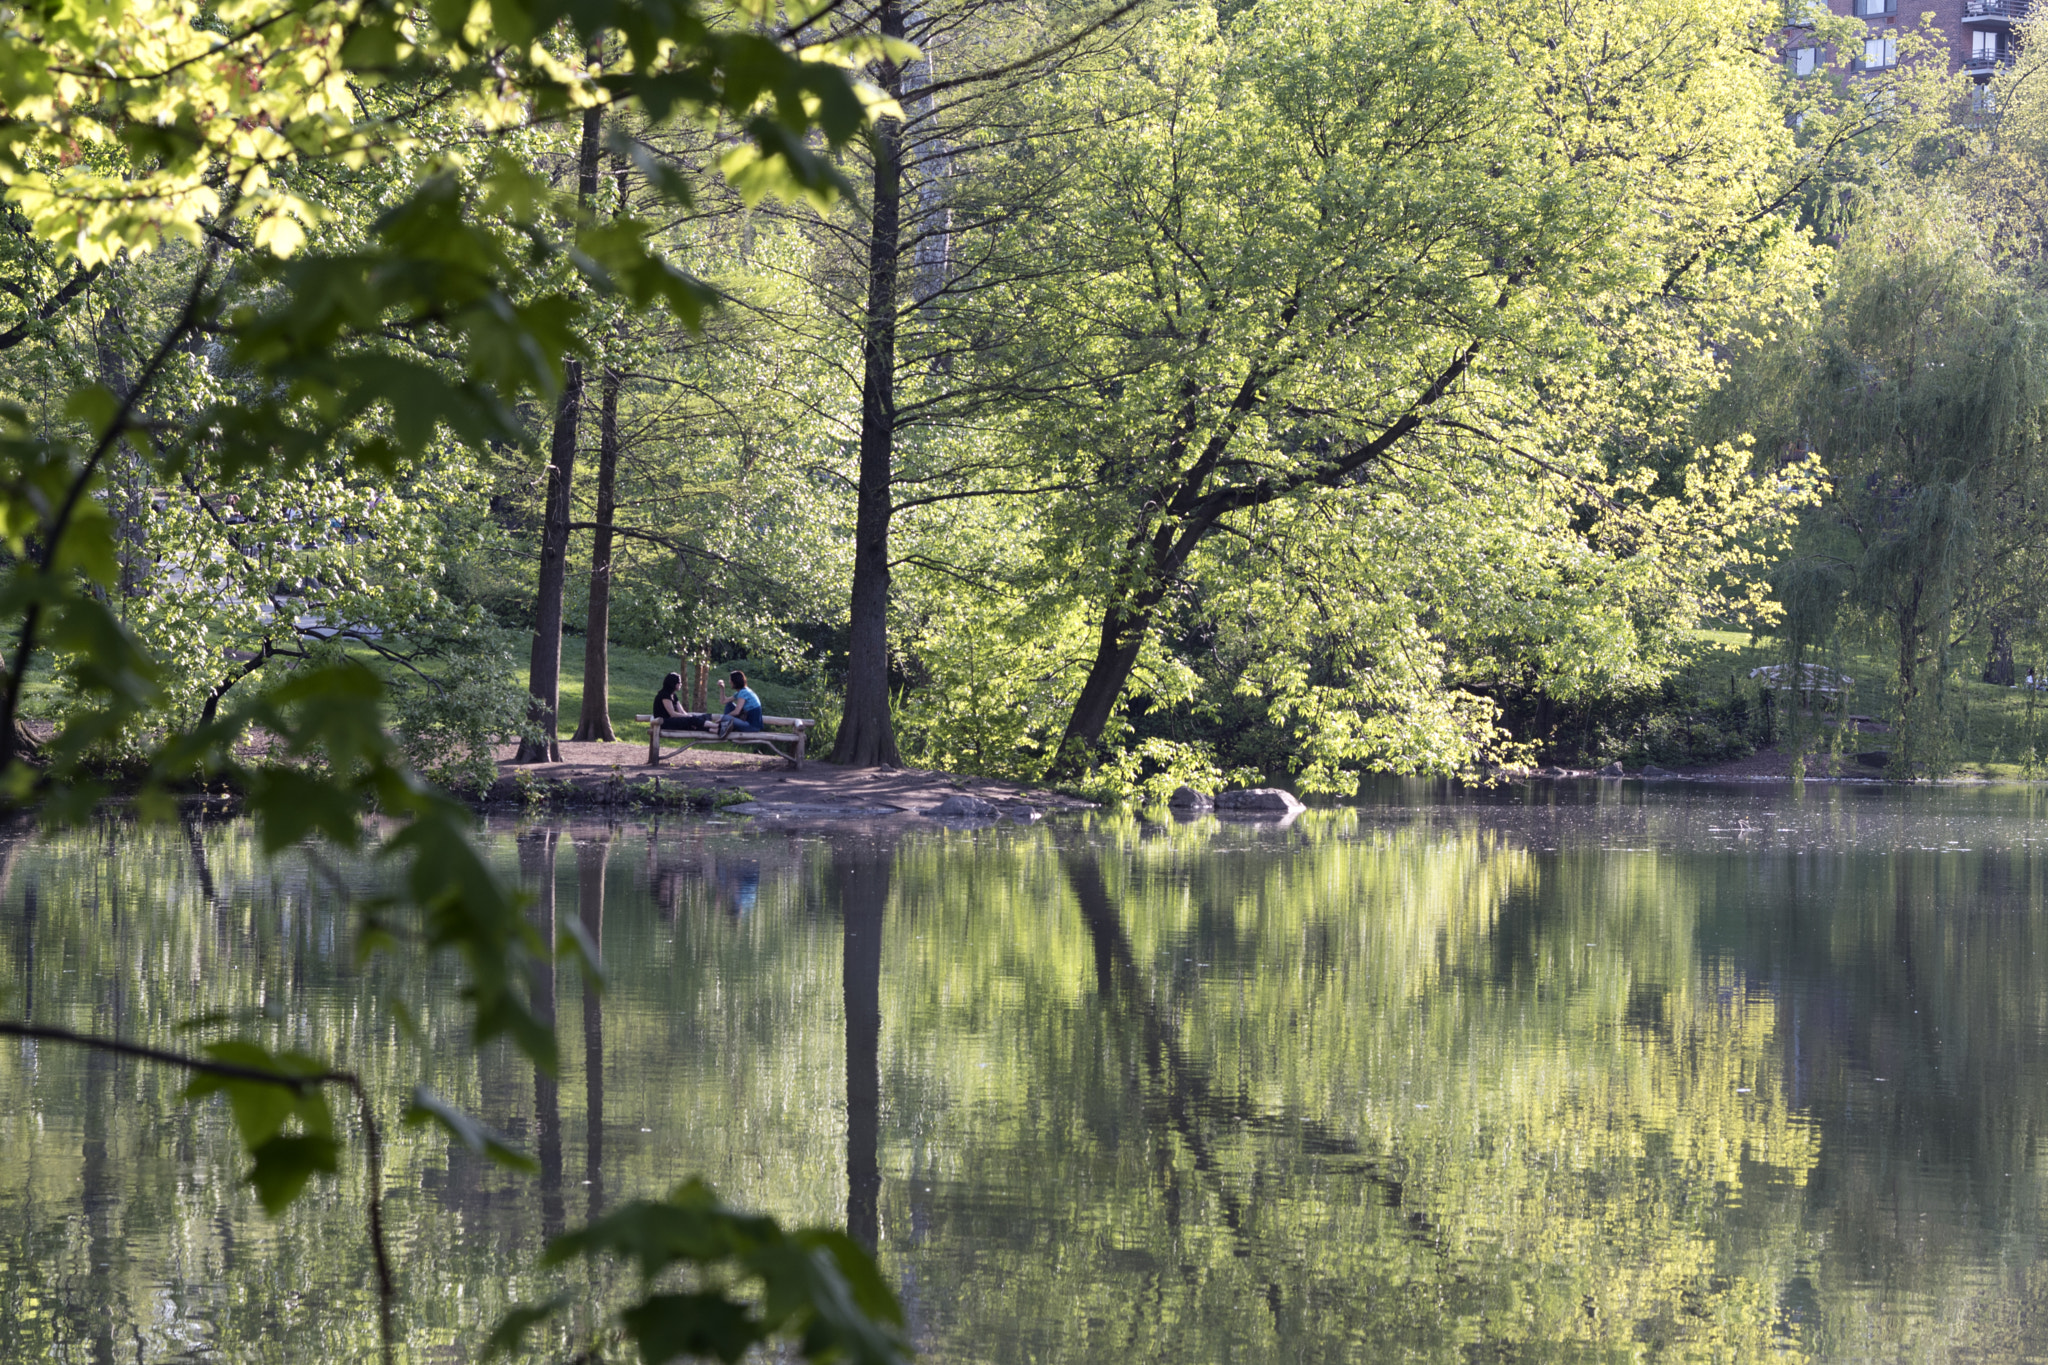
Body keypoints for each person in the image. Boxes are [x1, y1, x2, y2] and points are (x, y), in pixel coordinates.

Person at [718, 669, 766, 738]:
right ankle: (726, 726)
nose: (729, 682)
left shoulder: (743, 693)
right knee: (729, 704)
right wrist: (722, 688)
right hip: (746, 722)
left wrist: (723, 718)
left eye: (730, 680)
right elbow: (723, 701)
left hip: (751, 727)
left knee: (726, 717)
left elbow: (737, 712)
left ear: (735, 682)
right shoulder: (741, 692)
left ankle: (725, 727)